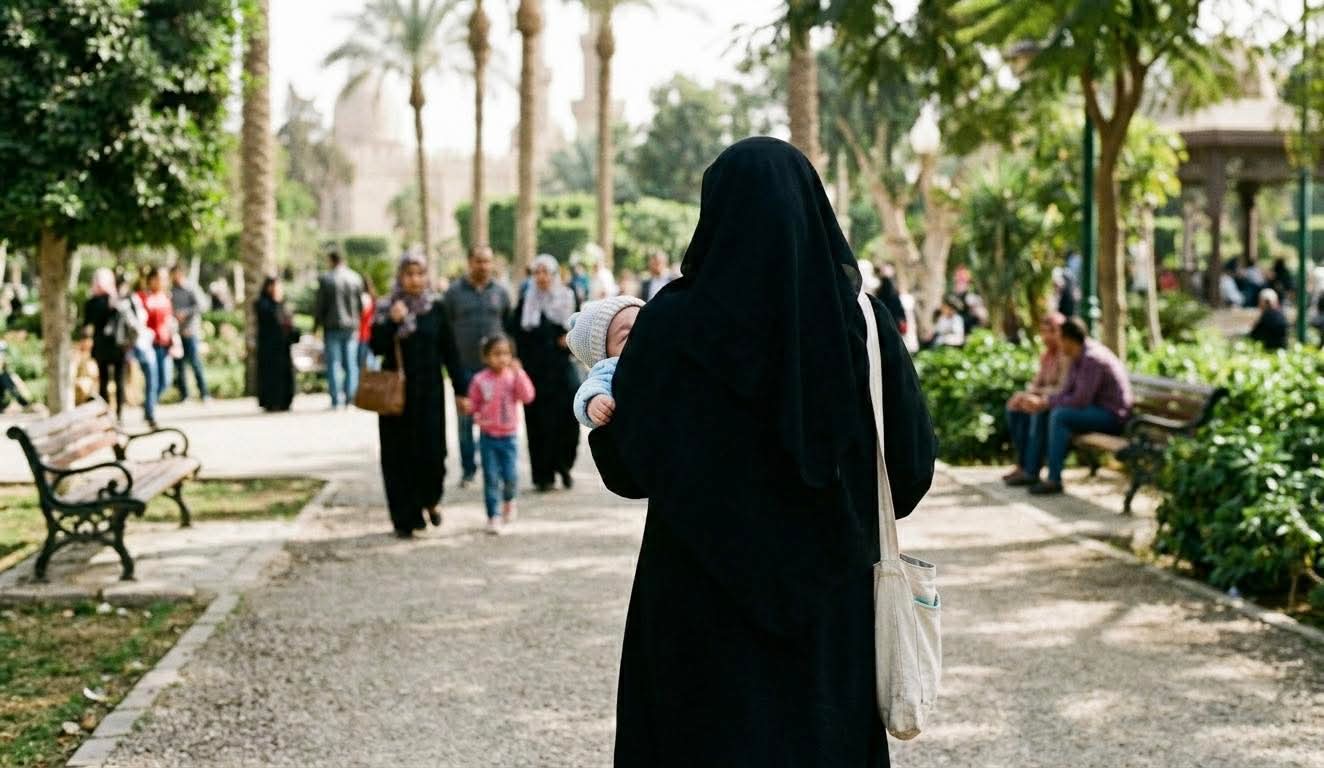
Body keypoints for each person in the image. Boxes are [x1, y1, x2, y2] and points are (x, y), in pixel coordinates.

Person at [585, 138, 937, 766]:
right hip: (828, 615)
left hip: (694, 612)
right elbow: (908, 476)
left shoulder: (670, 323)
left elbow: (628, 470)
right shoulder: (864, 325)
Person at [370, 254, 468, 538]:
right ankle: (405, 518)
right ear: (400, 277)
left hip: (429, 395)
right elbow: (375, 347)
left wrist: (461, 390)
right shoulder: (387, 307)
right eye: (408, 274)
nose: (414, 280)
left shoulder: (436, 308)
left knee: (433, 455)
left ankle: (430, 500)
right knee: (398, 457)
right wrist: (392, 322)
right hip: (397, 398)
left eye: (419, 273)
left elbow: (450, 351)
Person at [1021, 317, 1133, 496]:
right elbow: (1067, 391)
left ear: (1068, 340)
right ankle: (1031, 472)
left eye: (1060, 340)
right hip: (1094, 411)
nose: (1059, 345)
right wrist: (1043, 402)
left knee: (1059, 416)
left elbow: (1080, 399)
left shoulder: (1092, 358)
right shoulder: (1077, 355)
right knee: (1043, 411)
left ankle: (1054, 479)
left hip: (1112, 417)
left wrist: (1047, 402)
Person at [509, 254, 580, 492]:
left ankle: (564, 466)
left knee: (567, 420)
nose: (541, 277)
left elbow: (580, 327)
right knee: (538, 423)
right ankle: (543, 475)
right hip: (535, 372)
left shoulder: (568, 296)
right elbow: (516, 333)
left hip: (561, 369)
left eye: (545, 272)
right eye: (536, 272)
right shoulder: (526, 301)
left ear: (554, 274)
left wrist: (569, 339)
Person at [445, 244, 513, 488]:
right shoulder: (453, 293)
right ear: (469, 262)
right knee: (465, 420)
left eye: (487, 261)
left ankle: (496, 468)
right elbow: (446, 330)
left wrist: (510, 360)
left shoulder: (501, 292)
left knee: (498, 418)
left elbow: (508, 327)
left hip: (495, 371)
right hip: (465, 368)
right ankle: (468, 470)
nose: (484, 266)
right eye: (479, 261)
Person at [466, 334, 536, 536]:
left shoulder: (513, 377)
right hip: (488, 436)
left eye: (506, 353)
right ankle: (493, 515)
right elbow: (473, 404)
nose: (502, 358)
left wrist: (520, 373)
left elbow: (528, 396)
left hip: (509, 437)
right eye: (496, 354)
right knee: (491, 477)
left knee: (511, 475)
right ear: (486, 357)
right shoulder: (480, 380)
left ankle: (509, 500)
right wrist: (475, 414)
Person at [1002, 313, 1069, 486]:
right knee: (1014, 407)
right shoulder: (1046, 356)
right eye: (1043, 332)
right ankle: (1022, 464)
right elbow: (1036, 383)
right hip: (1046, 400)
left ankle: (1031, 471)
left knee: (1037, 412)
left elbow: (1062, 388)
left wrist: (1037, 395)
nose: (1046, 337)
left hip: (1058, 404)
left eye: (1050, 332)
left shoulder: (1066, 355)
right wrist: (1025, 395)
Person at [566, 295, 645, 427]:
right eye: (627, 335)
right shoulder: (610, 368)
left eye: (644, 322)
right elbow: (588, 390)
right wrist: (595, 402)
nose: (641, 333)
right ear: (605, 355)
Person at [314, 246, 365, 408]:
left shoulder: (326, 279)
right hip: (351, 327)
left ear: (331, 260)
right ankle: (350, 398)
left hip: (332, 326)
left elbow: (320, 306)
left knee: (334, 363)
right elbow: (360, 306)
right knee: (351, 363)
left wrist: (316, 326)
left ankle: (336, 400)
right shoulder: (355, 278)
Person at [83, 268, 127, 420]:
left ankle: (107, 415)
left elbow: (87, 325)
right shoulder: (116, 299)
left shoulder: (92, 302)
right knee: (118, 380)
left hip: (102, 346)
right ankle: (118, 415)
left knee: (104, 381)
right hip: (117, 345)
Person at [255, 276, 298, 412]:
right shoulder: (263, 304)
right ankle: (271, 402)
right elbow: (272, 321)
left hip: (283, 347)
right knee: (271, 375)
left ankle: (285, 401)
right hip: (269, 347)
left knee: (284, 374)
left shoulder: (283, 304)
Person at [169, 264, 210, 402]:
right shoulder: (171, 290)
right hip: (177, 332)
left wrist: (186, 313)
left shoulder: (191, 287)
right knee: (179, 365)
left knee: (194, 362)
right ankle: (184, 395)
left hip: (190, 331)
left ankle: (204, 393)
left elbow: (202, 305)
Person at [138, 267, 174, 412]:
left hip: (165, 343)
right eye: (160, 278)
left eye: (165, 278)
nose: (163, 282)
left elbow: (169, 321)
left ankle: (149, 403)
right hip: (149, 344)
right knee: (152, 378)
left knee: (165, 380)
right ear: (152, 279)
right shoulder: (144, 297)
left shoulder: (166, 297)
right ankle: (150, 411)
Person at [126, 274, 159, 427]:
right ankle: (149, 411)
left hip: (146, 343)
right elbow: (135, 324)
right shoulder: (135, 300)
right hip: (140, 345)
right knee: (150, 378)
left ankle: (149, 409)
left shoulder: (143, 299)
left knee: (152, 379)